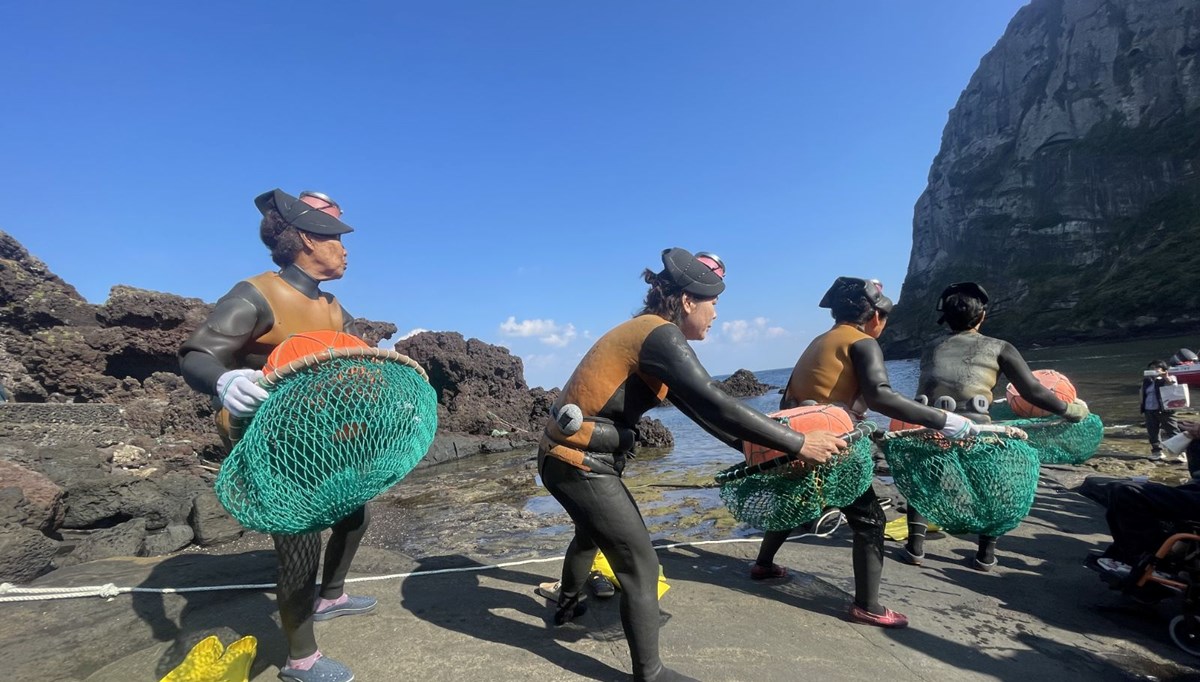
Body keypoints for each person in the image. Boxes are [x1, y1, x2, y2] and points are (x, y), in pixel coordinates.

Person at [538, 248, 844, 682]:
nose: (717, 313)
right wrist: (798, 442)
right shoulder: (660, 336)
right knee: (640, 565)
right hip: (578, 461)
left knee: (592, 532)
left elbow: (704, 414)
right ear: (686, 301)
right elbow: (716, 400)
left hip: (568, 458)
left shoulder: (651, 336)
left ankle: (567, 604)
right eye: (713, 302)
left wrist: (762, 454)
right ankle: (651, 673)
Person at [179, 189, 369, 682]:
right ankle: (300, 658)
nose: (346, 248)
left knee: (354, 515)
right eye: (335, 238)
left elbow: (353, 356)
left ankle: (333, 596)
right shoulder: (257, 294)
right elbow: (197, 353)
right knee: (299, 542)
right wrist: (224, 381)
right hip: (275, 440)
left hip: (324, 435)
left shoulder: (331, 305)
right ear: (308, 238)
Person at [751, 276, 977, 629]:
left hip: (796, 439)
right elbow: (881, 396)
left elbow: (788, 399)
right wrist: (943, 419)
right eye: (883, 319)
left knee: (794, 502)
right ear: (874, 316)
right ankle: (867, 606)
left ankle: (763, 565)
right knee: (871, 521)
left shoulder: (818, 342)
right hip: (830, 445)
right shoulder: (863, 342)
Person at [901, 282, 1090, 571]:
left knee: (924, 481)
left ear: (945, 318)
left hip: (932, 429)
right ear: (982, 317)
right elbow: (1033, 391)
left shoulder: (931, 347)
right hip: (976, 431)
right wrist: (1069, 410)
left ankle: (915, 548)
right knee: (993, 486)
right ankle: (985, 556)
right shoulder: (999, 347)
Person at [1142, 359, 1182, 462]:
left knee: (1172, 431)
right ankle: (1157, 452)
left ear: (1163, 369)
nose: (1154, 370)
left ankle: (1181, 453)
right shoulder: (1147, 381)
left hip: (1165, 410)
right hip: (1149, 410)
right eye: (1151, 368)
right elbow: (1143, 394)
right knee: (1153, 432)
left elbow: (1173, 387)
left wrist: (1165, 377)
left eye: (1156, 368)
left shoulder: (1169, 378)